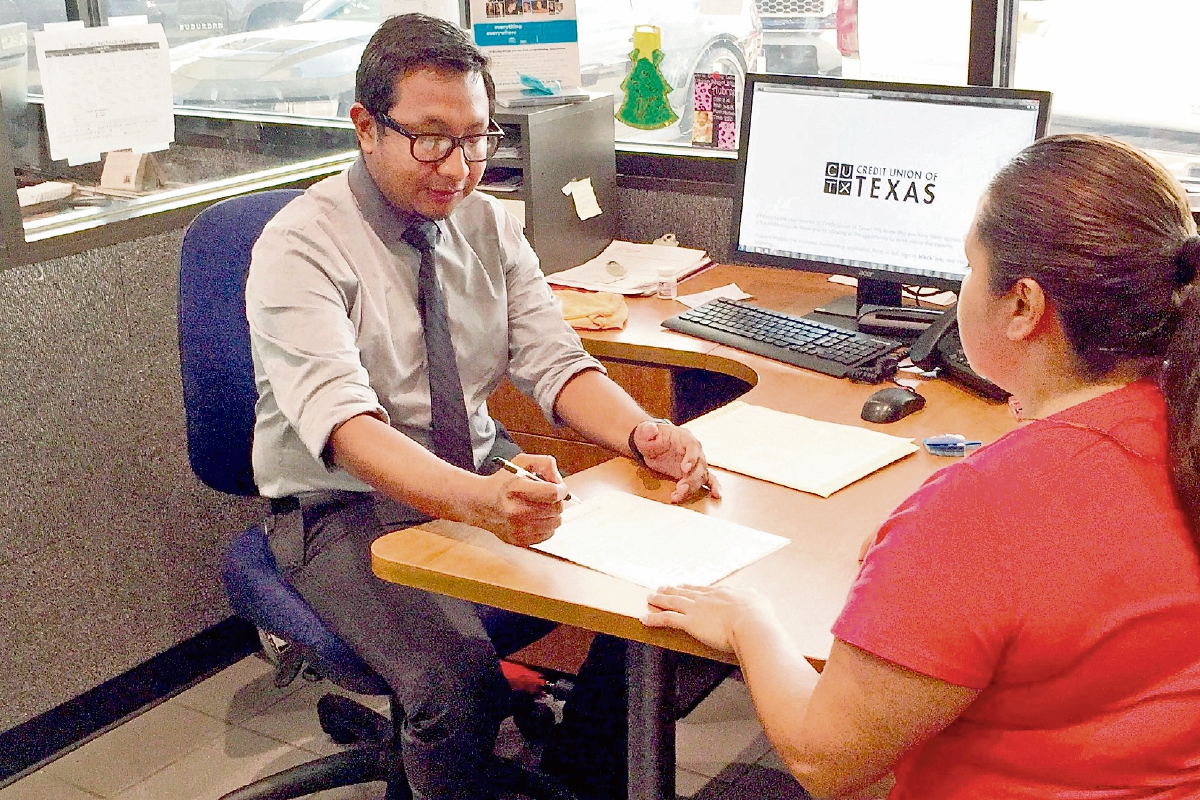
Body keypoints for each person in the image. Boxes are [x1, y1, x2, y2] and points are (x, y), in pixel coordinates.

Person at [245, 13, 717, 800]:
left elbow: (554, 361)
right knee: (454, 687)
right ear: (366, 127)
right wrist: (480, 500)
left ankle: (575, 776)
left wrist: (641, 433)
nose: (458, 168)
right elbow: (348, 429)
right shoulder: (300, 246)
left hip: (474, 475)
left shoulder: (488, 223)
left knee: (660, 594)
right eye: (431, 138)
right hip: (340, 507)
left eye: (476, 139)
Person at [644, 134, 1200, 798]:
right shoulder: (1179, 434)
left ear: (1021, 307)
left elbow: (827, 759)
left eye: (968, 265)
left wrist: (746, 620)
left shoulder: (982, 508)